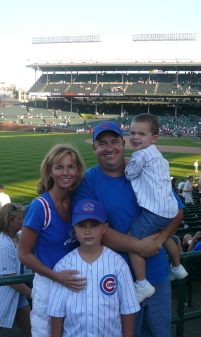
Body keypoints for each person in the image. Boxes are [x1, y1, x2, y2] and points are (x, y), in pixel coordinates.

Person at [72, 121, 184, 337]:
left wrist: (158, 241)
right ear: (94, 148)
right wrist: (139, 246)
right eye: (102, 143)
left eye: (115, 141)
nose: (109, 148)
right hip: (113, 282)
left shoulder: (145, 168)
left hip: (158, 277)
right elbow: (92, 230)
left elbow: (177, 210)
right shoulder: (87, 182)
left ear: (123, 144)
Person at [18, 144, 87, 337]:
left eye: (71, 167)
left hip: (74, 284)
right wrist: (57, 277)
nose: (66, 173)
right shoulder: (40, 207)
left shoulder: (77, 202)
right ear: (50, 170)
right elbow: (23, 254)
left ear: (78, 170)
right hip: (49, 285)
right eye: (59, 167)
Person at [49, 199, 140, 337]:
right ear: (73, 228)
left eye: (94, 225)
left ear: (104, 228)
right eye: (81, 226)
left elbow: (128, 309)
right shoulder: (63, 266)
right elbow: (57, 314)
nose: (88, 231)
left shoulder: (118, 263)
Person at [124, 113, 187, 302]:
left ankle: (142, 285)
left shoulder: (141, 154)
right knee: (167, 236)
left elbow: (129, 174)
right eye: (132, 133)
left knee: (132, 242)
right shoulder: (157, 154)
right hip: (169, 210)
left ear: (154, 138)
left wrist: (125, 164)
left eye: (142, 134)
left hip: (154, 211)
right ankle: (177, 267)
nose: (135, 137)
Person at [0, 203, 32, 337]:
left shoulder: (17, 235)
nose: (23, 221)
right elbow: (11, 280)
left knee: (34, 332)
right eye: (20, 218)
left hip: (18, 296)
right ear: (9, 221)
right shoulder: (2, 245)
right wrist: (34, 294)